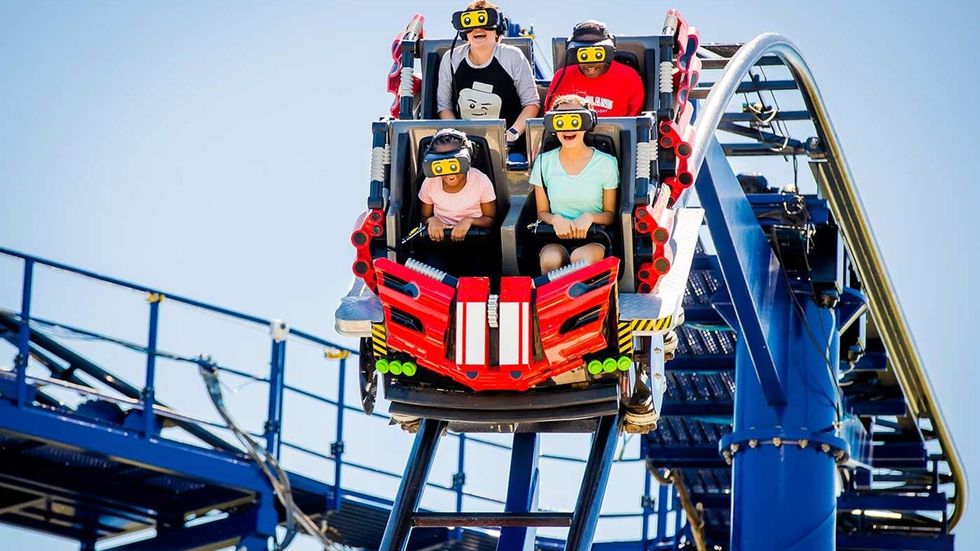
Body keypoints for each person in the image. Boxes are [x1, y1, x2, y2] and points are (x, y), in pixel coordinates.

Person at [437, 0, 540, 155]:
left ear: (498, 30)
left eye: (485, 23)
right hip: (462, 147)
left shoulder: (512, 57)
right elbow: (444, 106)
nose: (478, 29)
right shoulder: (451, 59)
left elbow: (531, 103)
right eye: (471, 24)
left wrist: (511, 135)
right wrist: (455, 137)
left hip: (508, 147)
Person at [530, 95, 619, 274]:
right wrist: (555, 220)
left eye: (575, 120)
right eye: (561, 121)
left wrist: (589, 217)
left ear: (587, 123)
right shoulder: (543, 162)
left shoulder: (606, 163)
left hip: (594, 236)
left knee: (580, 259)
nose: (568, 128)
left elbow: (610, 215)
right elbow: (541, 212)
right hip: (554, 236)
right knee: (550, 259)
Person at [418, 128, 497, 276]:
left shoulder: (480, 180)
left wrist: (468, 221)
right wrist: (432, 220)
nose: (449, 172)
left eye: (453, 163)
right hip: (440, 244)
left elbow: (490, 219)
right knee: (433, 273)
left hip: (475, 242)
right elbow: (423, 218)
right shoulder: (430, 182)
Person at [544, 20, 645, 117]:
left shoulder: (629, 77)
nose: (590, 64)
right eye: (584, 56)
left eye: (597, 55)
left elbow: (636, 124)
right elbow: (551, 118)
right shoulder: (562, 77)